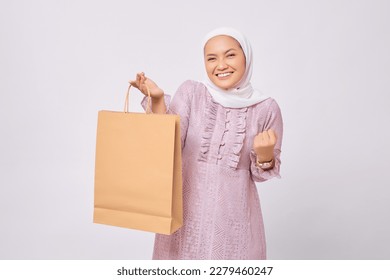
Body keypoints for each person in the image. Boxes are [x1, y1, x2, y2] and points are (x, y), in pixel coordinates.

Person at [130, 27, 283, 260]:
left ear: (247, 57)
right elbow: (168, 143)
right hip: (185, 217)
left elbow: (260, 175)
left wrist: (265, 156)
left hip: (233, 221)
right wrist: (158, 100)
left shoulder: (265, 108)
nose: (220, 65)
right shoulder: (192, 92)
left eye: (230, 55)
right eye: (212, 58)